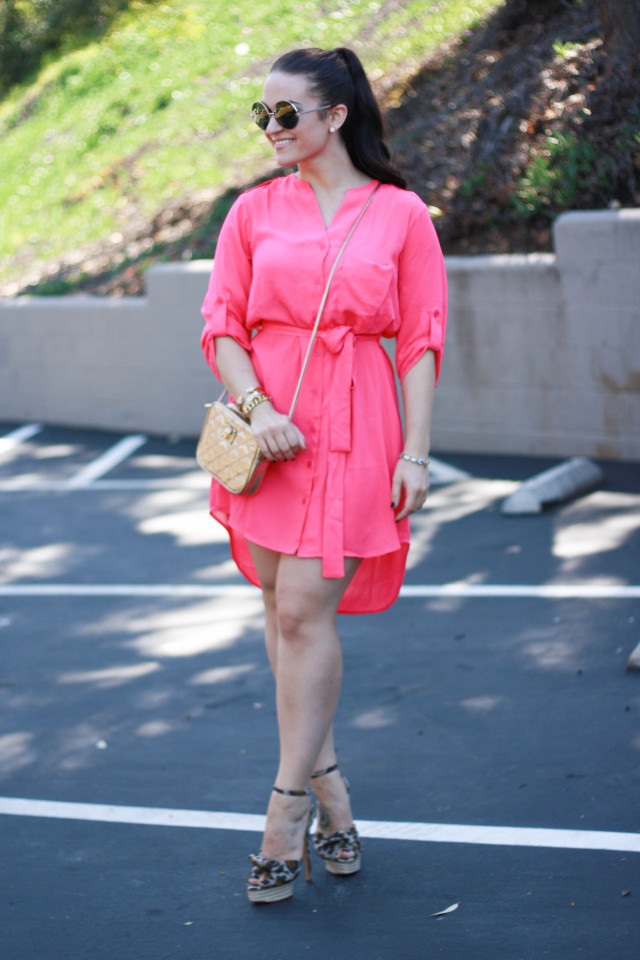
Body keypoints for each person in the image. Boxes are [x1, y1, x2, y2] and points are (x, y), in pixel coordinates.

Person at [200, 45, 447, 903]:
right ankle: (335, 792)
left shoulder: (403, 214)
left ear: (335, 116)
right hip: (269, 434)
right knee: (277, 605)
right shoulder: (253, 211)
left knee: (303, 611)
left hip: (358, 429)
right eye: (260, 116)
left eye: (285, 114)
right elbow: (222, 323)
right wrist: (258, 407)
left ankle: (284, 810)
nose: (270, 129)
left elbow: (420, 340)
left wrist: (415, 452)